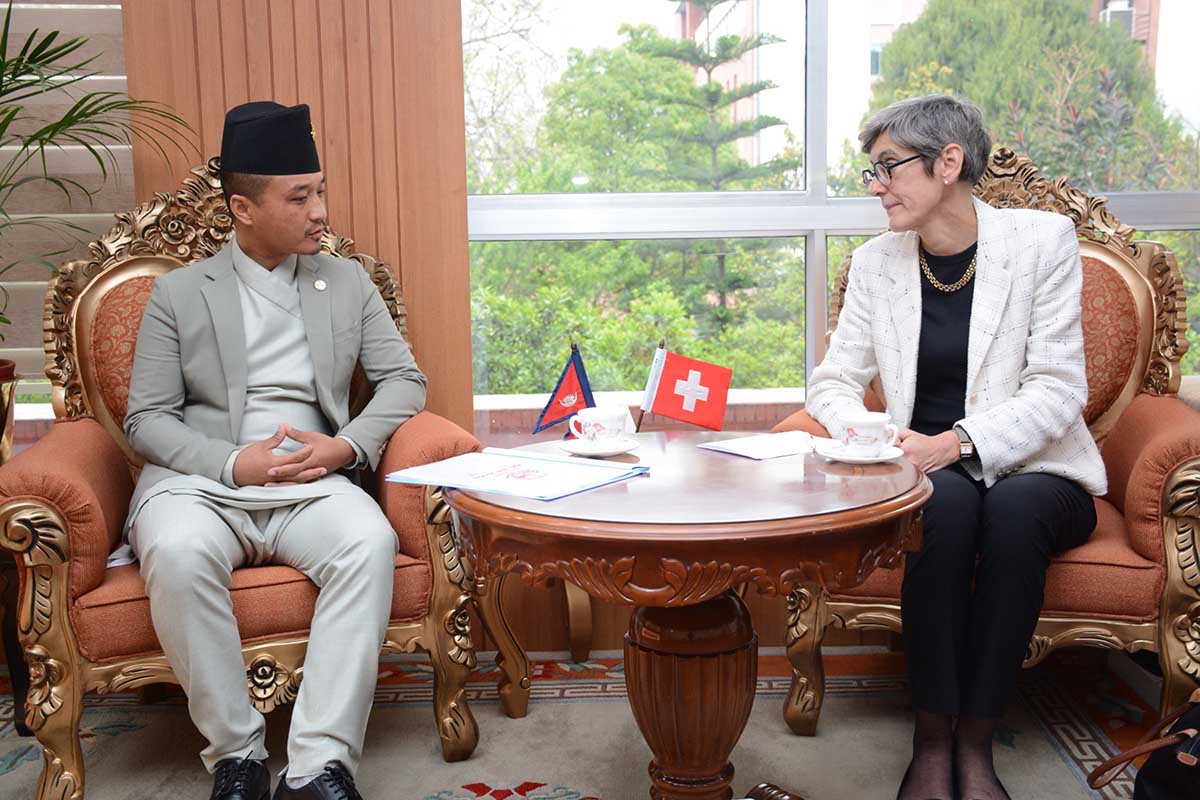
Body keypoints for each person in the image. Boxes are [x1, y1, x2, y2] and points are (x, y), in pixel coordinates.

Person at [123, 101, 427, 800]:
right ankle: (236, 757)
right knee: (177, 551)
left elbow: (405, 381)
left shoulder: (346, 282)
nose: (321, 212)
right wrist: (234, 463)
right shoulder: (177, 294)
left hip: (312, 483)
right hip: (201, 483)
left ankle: (320, 764)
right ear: (243, 207)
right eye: (300, 197)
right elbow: (145, 419)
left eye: (320, 191)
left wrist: (344, 447)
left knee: (368, 542)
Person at [806, 94, 1105, 800]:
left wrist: (955, 443)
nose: (876, 186)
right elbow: (833, 381)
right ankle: (932, 739)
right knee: (941, 507)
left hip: (1039, 467)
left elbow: (1059, 388)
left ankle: (976, 741)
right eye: (872, 171)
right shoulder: (876, 263)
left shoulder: (1042, 242)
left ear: (947, 162)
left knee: (1014, 512)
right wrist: (872, 433)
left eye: (888, 167)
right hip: (925, 472)